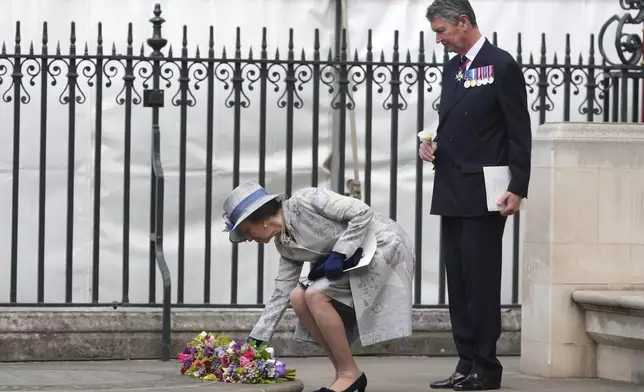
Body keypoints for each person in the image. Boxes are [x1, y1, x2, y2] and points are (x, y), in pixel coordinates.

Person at [419, 1, 531, 391]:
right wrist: (431, 145)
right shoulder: (453, 68)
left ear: (463, 22)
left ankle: (486, 367)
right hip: (451, 186)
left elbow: (518, 130)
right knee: (460, 281)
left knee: (481, 281)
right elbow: (459, 123)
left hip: (486, 192)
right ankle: (465, 362)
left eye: (441, 30)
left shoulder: (501, 65)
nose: (438, 39)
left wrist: (518, 186)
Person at [221, 180, 415, 392]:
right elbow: (281, 293)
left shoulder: (306, 200)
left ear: (260, 220)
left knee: (315, 295)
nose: (249, 239)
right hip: (354, 259)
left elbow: (362, 212)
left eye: (247, 231)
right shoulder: (285, 246)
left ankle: (349, 376)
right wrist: (257, 338)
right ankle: (345, 374)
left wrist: (339, 253)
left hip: (382, 244)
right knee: (297, 297)